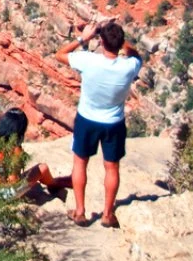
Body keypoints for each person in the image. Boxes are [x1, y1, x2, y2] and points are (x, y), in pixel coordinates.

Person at [55, 20, 144, 228]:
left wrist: (84, 37)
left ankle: (80, 212)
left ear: (101, 42)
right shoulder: (128, 67)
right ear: (119, 44)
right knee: (112, 167)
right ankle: (107, 214)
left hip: (87, 119)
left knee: (80, 163)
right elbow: (136, 55)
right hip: (114, 123)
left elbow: (60, 55)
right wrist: (121, 41)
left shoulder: (88, 60)